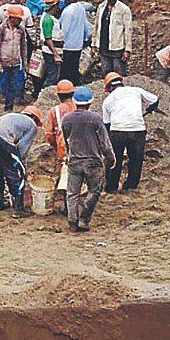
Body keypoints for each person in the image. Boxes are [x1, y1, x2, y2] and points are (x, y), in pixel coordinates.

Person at [62, 87, 115, 233]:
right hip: (93, 162)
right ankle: (84, 218)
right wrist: (111, 158)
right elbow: (104, 142)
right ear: (90, 102)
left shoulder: (66, 119)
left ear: (74, 102)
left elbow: (66, 140)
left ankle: (72, 221)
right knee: (94, 191)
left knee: (72, 193)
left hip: (74, 160)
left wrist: (69, 154)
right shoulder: (95, 119)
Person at [99, 73, 159, 192]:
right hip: (138, 130)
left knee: (115, 160)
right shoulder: (135, 90)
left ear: (110, 87)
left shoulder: (108, 100)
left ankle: (112, 187)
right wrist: (150, 109)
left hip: (118, 131)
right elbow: (155, 99)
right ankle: (131, 185)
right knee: (136, 159)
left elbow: (107, 124)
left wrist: (108, 141)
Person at [0, 106, 44, 217]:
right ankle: (18, 209)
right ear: (35, 118)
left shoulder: (14, 117)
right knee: (16, 172)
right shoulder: (32, 125)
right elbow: (21, 148)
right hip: (2, 139)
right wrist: (22, 168)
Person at [0, 5, 31, 111]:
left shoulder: (21, 30)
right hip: (4, 61)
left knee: (13, 84)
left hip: (16, 62)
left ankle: (9, 106)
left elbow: (23, 47)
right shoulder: (0, 29)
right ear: (12, 18)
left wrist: (25, 63)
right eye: (18, 19)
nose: (20, 21)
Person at [92, 0, 133, 76]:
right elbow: (96, 26)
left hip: (117, 48)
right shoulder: (101, 7)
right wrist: (94, 44)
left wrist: (127, 50)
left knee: (119, 74)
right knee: (106, 74)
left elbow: (128, 30)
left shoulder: (124, 9)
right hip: (103, 46)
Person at [43, 79, 78, 187]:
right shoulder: (79, 107)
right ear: (73, 93)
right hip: (80, 146)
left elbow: (49, 134)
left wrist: (55, 145)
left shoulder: (54, 111)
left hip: (63, 146)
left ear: (58, 95)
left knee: (60, 174)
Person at [31, 0, 64, 98]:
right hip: (51, 51)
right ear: (55, 5)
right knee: (52, 76)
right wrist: (56, 54)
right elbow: (48, 37)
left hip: (51, 50)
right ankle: (45, 96)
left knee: (49, 74)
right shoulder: (48, 19)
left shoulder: (48, 16)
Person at [58, 0, 89, 82]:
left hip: (67, 47)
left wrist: (58, 44)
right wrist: (86, 39)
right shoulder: (81, 8)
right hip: (78, 46)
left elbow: (64, 31)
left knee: (65, 74)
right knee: (74, 72)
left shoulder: (67, 11)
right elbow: (86, 27)